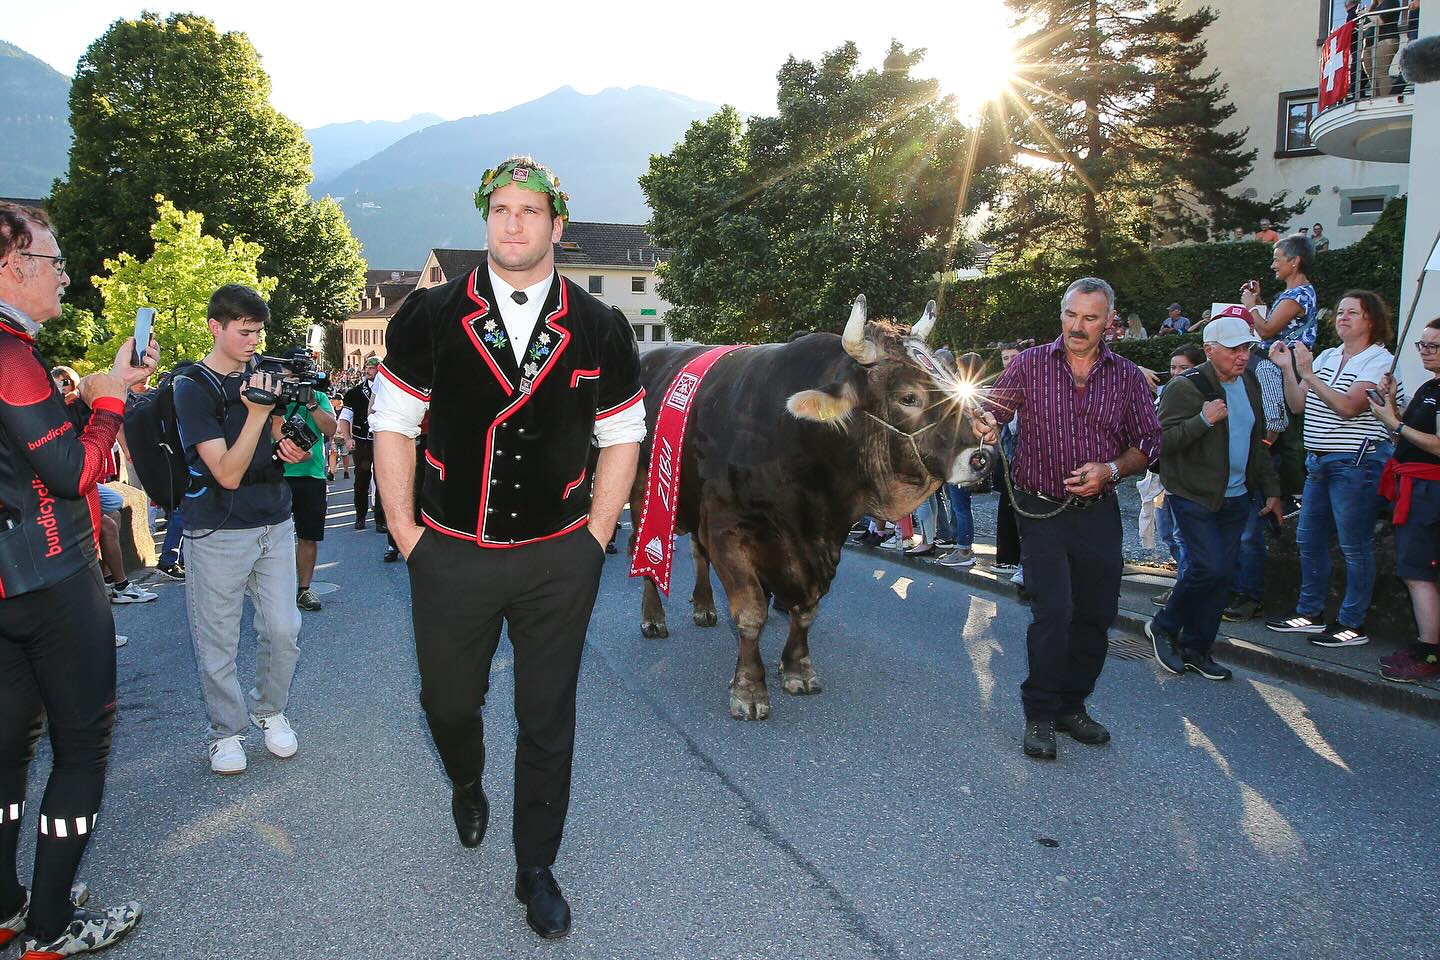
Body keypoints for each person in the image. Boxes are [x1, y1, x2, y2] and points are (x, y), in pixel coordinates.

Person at [372, 156, 644, 940]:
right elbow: (393, 424)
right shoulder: (430, 315)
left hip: (560, 553)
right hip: (452, 548)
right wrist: (406, 534)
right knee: (449, 702)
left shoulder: (600, 325)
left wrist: (595, 536)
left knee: (546, 712)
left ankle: (535, 867)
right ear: (486, 220)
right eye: (501, 210)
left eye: (530, 211)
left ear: (556, 226)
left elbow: (622, 434)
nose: (514, 223)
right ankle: (465, 778)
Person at [0, 202, 147, 957]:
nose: (64, 274)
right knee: (81, 751)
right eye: (53, 261)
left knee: (9, 749)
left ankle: (8, 904)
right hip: (52, 578)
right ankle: (52, 929)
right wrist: (108, 400)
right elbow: (71, 470)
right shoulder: (12, 354)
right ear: (12, 267)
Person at [984, 277, 1162, 761]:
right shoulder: (1028, 364)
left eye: (1089, 318)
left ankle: (1071, 706)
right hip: (1039, 508)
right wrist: (984, 423)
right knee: (1054, 611)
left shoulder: (1126, 377)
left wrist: (1110, 469)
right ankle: (1039, 713)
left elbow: (1148, 443)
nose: (1077, 327)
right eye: (1070, 315)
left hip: (1098, 512)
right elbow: (991, 411)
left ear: (1109, 322)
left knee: (1095, 615)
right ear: (1061, 313)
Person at [174, 285, 309, 775]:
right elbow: (226, 472)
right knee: (218, 639)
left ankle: (269, 710)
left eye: (259, 331)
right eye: (245, 331)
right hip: (217, 528)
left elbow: (288, 433)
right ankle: (224, 732)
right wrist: (256, 411)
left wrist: (289, 438)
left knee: (283, 628)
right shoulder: (192, 386)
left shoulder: (264, 375)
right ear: (216, 327)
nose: (254, 341)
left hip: (274, 518)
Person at [1147, 316, 1285, 680]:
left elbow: (1256, 443)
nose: (1242, 356)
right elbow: (1158, 443)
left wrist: (1271, 489)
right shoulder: (1186, 387)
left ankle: (1197, 648)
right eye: (1234, 349)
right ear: (1210, 350)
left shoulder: (1249, 382)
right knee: (1208, 568)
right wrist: (1203, 421)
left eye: (1247, 349)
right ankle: (1163, 625)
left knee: (1223, 576)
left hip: (1237, 496)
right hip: (1193, 495)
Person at [1266, 291, 1400, 646]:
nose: (1342, 317)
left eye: (1352, 313)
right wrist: (1288, 371)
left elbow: (1346, 407)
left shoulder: (1379, 361)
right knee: (1308, 539)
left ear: (1371, 319)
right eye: (1340, 312)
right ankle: (1309, 613)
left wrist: (1308, 373)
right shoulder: (1327, 356)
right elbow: (1297, 406)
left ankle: (1351, 623)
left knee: (1354, 546)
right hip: (1319, 461)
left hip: (1356, 462)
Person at [1371, 318, 1440, 682]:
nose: (1425, 352)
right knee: (1416, 571)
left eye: (1433, 346)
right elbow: (1407, 438)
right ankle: (1424, 645)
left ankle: (1429, 652)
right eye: (1422, 345)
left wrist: (1394, 424)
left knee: (1419, 572)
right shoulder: (1431, 386)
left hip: (1430, 491)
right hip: (1414, 486)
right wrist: (1389, 407)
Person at [1145, 344, 1206, 606]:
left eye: (1184, 368)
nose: (1177, 373)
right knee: (1167, 531)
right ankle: (1183, 583)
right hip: (1162, 476)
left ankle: (1185, 589)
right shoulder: (1166, 392)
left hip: (1184, 476)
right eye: (1173, 368)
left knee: (1183, 535)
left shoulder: (1200, 395)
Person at [277, 346, 336, 612]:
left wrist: (310, 402)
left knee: (308, 536)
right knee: (272, 536)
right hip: (277, 475)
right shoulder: (273, 396)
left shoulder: (319, 397)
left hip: (311, 475)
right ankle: (272, 589)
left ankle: (304, 589)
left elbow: (330, 429)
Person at [991, 342, 1026, 580]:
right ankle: (1007, 559)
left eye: (1014, 357)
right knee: (1006, 508)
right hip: (1006, 460)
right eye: (1005, 358)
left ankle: (1024, 563)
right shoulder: (1000, 386)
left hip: (1027, 458)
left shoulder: (1033, 384)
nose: (1009, 361)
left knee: (1024, 511)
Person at [338, 357, 385, 532]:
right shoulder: (354, 393)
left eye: (373, 368)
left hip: (382, 442)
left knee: (382, 482)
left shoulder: (387, 392)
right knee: (361, 480)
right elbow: (344, 418)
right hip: (362, 443)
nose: (369, 370)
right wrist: (348, 438)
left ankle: (381, 519)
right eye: (368, 367)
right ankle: (360, 515)